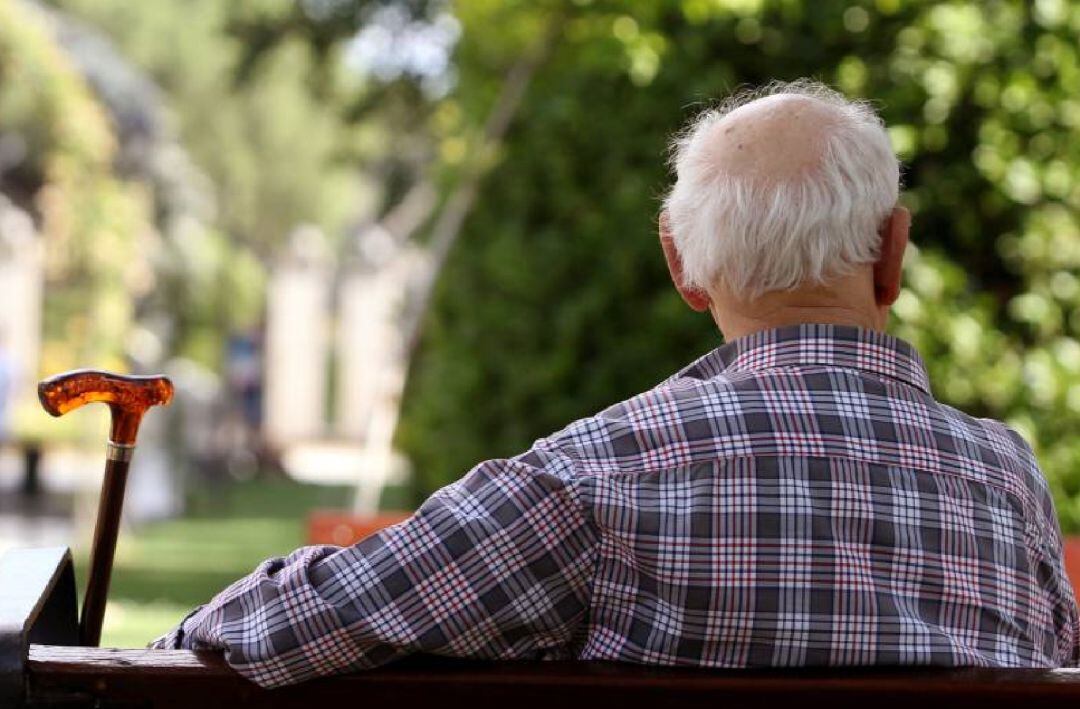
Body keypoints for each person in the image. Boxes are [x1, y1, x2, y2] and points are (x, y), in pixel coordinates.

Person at [152, 79, 1080, 687]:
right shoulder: (1008, 484)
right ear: (892, 253)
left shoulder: (596, 478)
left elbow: (289, 624)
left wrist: (165, 639)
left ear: (683, 267)